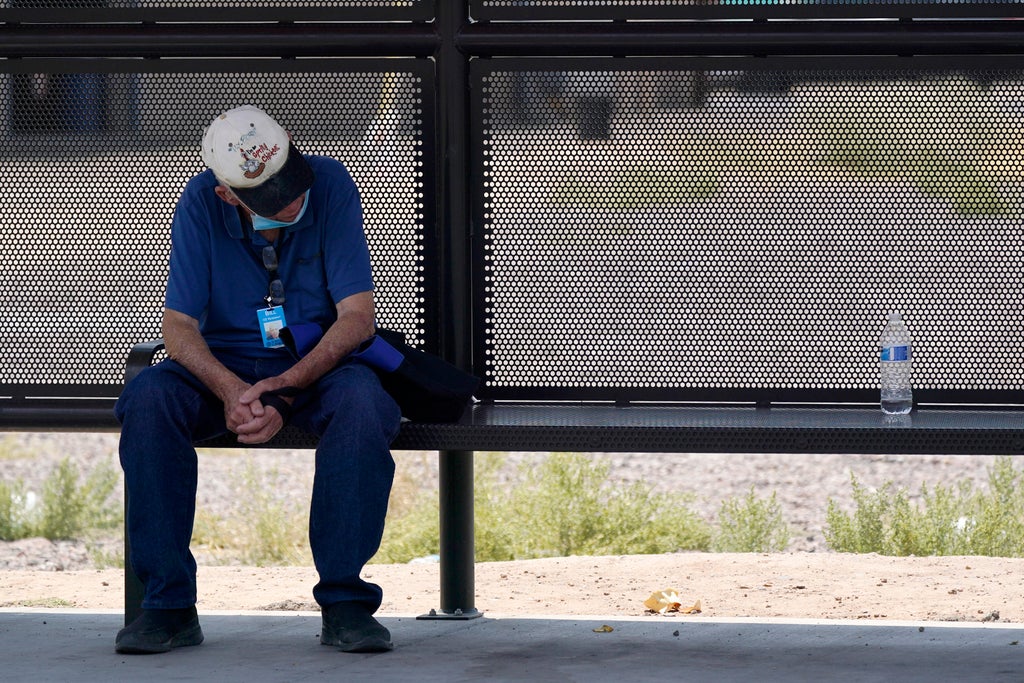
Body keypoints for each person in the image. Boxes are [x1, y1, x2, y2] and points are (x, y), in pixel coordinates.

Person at [114, 105, 402, 655]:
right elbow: (177, 328)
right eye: (270, 197)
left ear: (291, 145)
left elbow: (357, 317)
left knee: (365, 405)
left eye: (289, 182)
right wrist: (228, 389)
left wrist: (287, 386)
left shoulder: (332, 182)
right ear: (229, 195)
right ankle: (169, 606)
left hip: (315, 368)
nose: (291, 202)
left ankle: (345, 602)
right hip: (226, 371)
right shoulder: (200, 203)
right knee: (149, 397)